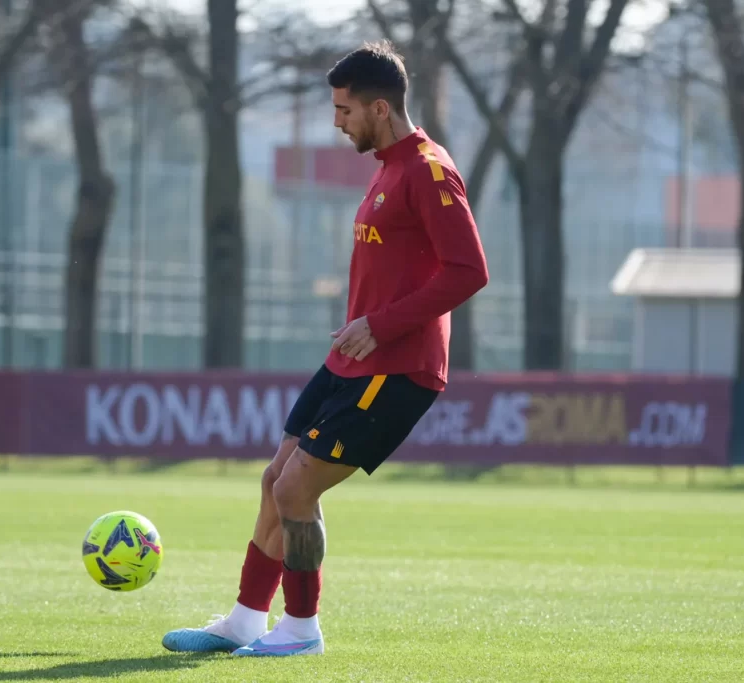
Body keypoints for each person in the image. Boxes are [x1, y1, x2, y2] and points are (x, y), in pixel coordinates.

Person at [161, 39, 489, 658]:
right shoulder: (388, 168)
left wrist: (383, 324)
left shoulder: (429, 170)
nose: (337, 121)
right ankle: (243, 620)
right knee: (274, 481)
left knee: (295, 492)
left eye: (345, 110)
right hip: (354, 358)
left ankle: (302, 629)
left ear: (382, 109)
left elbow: (469, 270)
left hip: (396, 367)